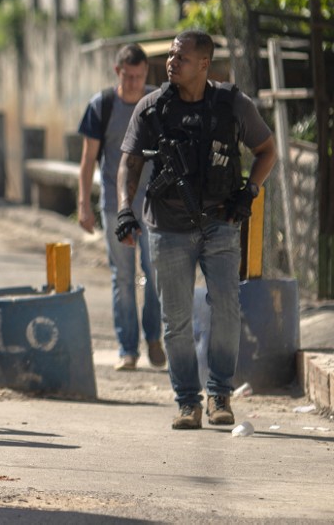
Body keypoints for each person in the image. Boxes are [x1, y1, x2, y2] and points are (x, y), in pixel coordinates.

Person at [116, 30, 276, 431]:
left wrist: (250, 192)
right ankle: (188, 402)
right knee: (176, 319)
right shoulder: (152, 107)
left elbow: (267, 150)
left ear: (204, 64)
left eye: (181, 58)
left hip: (221, 223)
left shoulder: (232, 105)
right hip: (166, 229)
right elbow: (130, 162)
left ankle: (219, 393)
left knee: (225, 309)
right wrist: (124, 209)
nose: (171, 62)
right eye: (170, 55)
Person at [77, 43, 164, 371]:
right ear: (118, 72)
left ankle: (153, 337)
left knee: (156, 274)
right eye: (128, 77)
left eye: (139, 77)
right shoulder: (102, 105)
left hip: (154, 206)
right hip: (116, 205)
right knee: (123, 277)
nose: (133, 83)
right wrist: (84, 203)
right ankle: (128, 347)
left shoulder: (157, 102)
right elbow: (88, 159)